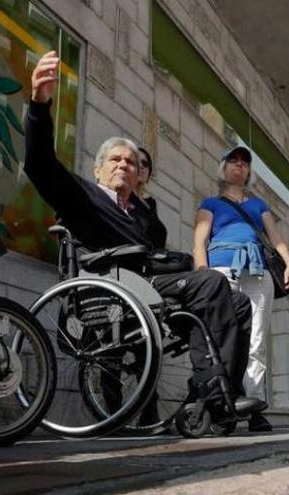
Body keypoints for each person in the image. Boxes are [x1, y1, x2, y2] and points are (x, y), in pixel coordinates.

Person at [25, 51, 264, 417]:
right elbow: (40, 164)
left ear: (140, 174)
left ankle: (210, 393)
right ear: (99, 168)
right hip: (110, 283)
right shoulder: (82, 193)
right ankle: (217, 397)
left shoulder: (139, 213)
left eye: (131, 163)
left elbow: (158, 250)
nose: (124, 166)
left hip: (148, 283)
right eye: (115, 160)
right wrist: (40, 105)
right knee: (211, 284)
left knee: (239, 302)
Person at [193, 145, 289, 431]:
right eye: (233, 161)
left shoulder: (258, 205)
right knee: (221, 338)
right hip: (221, 269)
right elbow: (199, 242)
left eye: (244, 163)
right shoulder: (210, 204)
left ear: (248, 171)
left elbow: (276, 239)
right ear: (223, 168)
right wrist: (203, 274)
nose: (239, 166)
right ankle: (220, 402)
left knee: (257, 340)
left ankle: (253, 406)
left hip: (257, 270)